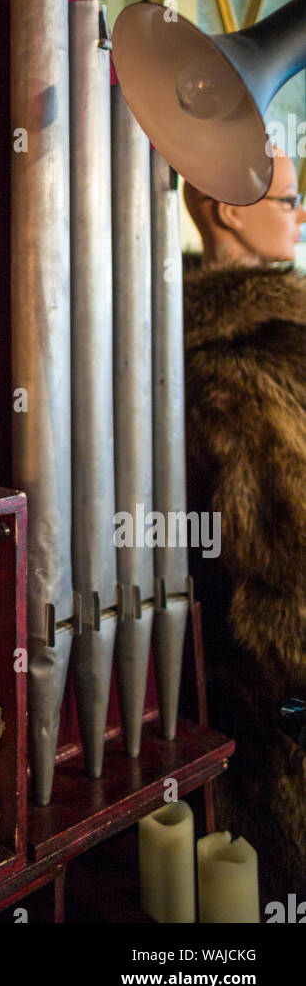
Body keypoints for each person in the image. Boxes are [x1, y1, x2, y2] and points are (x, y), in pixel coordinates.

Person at [183, 149, 306, 900]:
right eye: (293, 199)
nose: (301, 215)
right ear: (228, 210)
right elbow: (282, 582)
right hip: (275, 726)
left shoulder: (243, 342)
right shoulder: (244, 362)